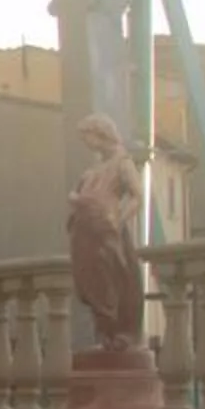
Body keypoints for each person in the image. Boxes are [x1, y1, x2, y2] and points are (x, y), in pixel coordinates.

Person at [66, 114, 143, 351]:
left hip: (107, 231)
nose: (86, 143)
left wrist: (118, 218)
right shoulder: (92, 172)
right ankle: (105, 334)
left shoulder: (122, 162)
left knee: (114, 280)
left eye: (87, 136)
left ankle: (120, 333)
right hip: (86, 233)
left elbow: (137, 195)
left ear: (101, 133)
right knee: (91, 283)